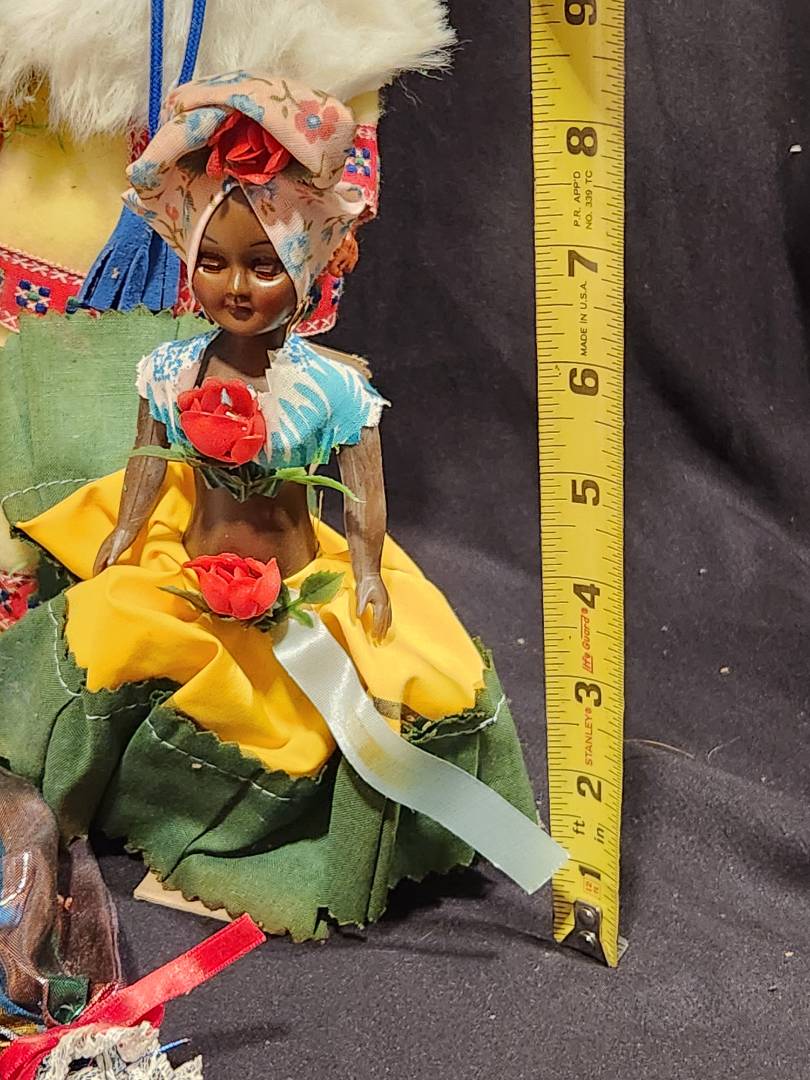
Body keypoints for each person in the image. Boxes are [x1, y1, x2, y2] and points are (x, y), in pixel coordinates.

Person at [0, 75, 562, 939]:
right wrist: (126, 527)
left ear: (304, 268)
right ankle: (92, 800)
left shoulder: (330, 388)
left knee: (356, 698)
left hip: (294, 582)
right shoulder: (170, 370)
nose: (236, 286)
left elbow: (363, 493)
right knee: (106, 640)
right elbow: (147, 459)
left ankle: (272, 849)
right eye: (214, 263)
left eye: (263, 266)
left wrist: (367, 570)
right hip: (188, 573)